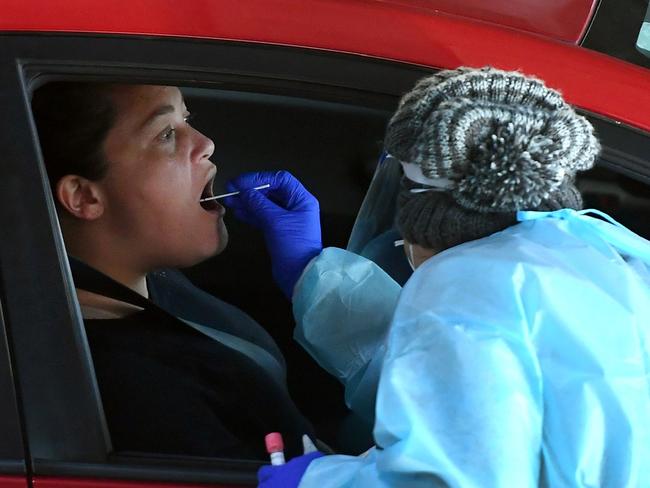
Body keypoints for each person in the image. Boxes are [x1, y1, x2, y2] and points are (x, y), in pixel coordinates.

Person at [225, 67, 650, 486]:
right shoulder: (594, 251)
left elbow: (446, 477)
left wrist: (315, 482)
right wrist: (312, 274)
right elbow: (453, 397)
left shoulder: (466, 281)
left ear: (429, 209)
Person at [31, 82, 316, 459]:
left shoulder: (155, 287)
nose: (206, 143)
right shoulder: (139, 390)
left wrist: (314, 277)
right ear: (84, 196)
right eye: (167, 133)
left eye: (187, 119)